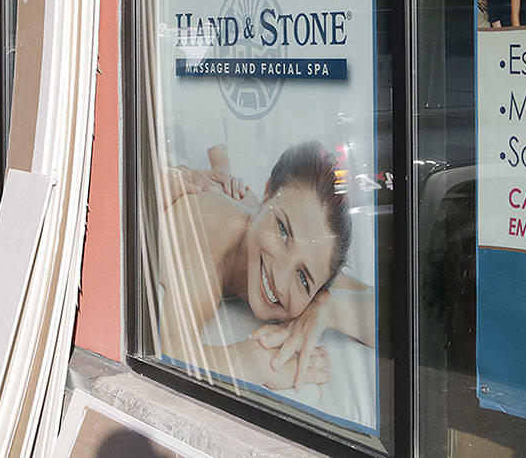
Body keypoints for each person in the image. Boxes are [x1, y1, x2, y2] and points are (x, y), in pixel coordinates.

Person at [155, 142, 375, 392]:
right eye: (283, 231)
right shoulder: (207, 244)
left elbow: (392, 316)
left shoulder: (310, 256)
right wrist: (252, 363)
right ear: (267, 192)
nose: (280, 280)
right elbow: (165, 349)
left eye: (303, 279)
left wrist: (328, 309)